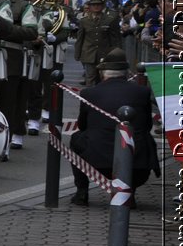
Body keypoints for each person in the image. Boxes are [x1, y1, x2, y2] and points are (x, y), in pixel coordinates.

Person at [68, 49, 159, 205]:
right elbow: (147, 125)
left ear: (103, 73)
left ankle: (82, 191)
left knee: (76, 138)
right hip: (136, 166)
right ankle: (129, 194)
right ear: (126, 73)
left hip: (97, 164)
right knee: (143, 137)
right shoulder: (142, 92)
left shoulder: (90, 93)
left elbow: (83, 125)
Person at [0, 0, 38, 151]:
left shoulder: (23, 5)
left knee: (10, 102)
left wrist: (6, 28)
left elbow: (31, 32)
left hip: (12, 56)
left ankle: (6, 139)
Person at [74, 0, 121, 83]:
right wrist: (77, 54)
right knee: (90, 79)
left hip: (104, 54)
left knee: (103, 80)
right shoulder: (84, 21)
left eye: (98, 4)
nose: (96, 7)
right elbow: (80, 39)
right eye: (94, 5)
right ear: (90, 6)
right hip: (88, 54)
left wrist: (116, 54)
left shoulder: (109, 20)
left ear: (103, 6)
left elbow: (114, 39)